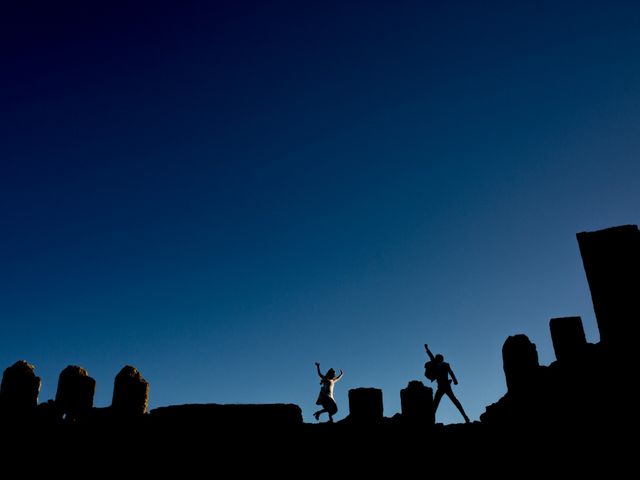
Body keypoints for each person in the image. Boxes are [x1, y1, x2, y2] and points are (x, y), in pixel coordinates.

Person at [424, 344, 470, 423]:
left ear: (440, 359)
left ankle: (465, 417)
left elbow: (451, 372)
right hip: (440, 387)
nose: (435, 360)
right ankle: (430, 421)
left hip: (446, 386)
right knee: (435, 404)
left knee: (454, 401)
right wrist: (427, 349)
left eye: (437, 359)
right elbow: (430, 355)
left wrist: (455, 380)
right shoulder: (435, 364)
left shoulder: (445, 365)